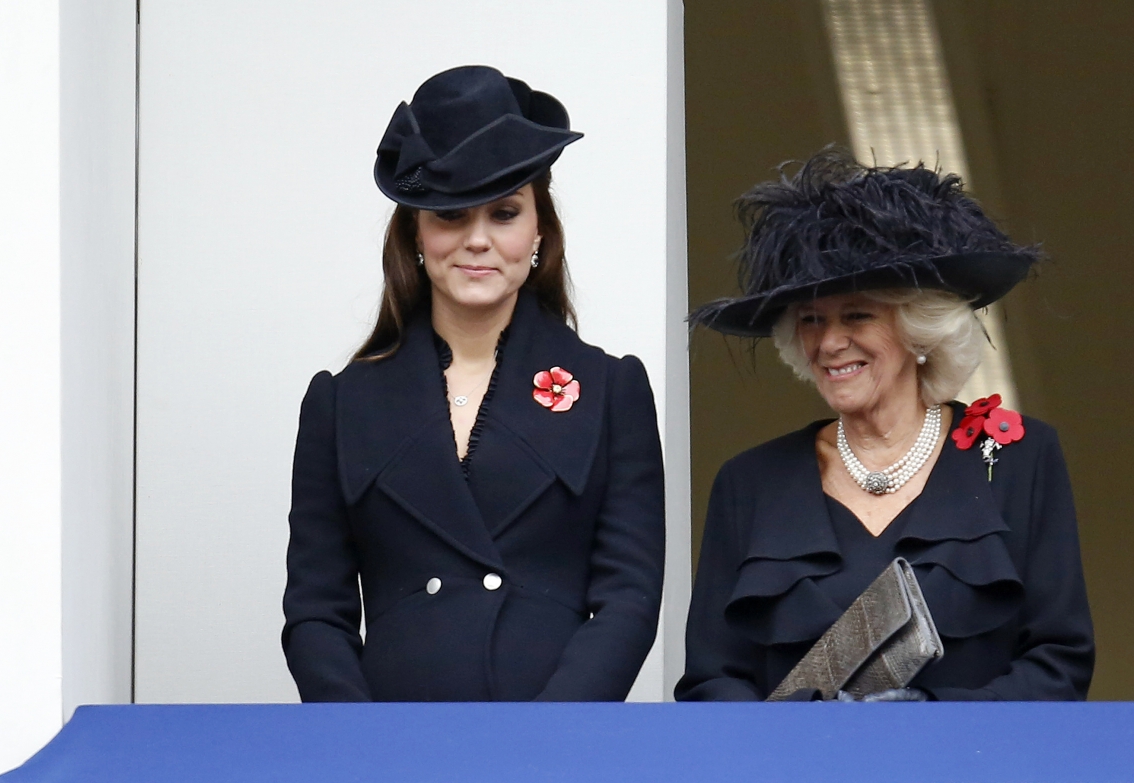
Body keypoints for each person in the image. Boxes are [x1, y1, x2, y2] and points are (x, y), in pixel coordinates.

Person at [282, 65, 665, 702]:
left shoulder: (609, 388)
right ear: (416, 233)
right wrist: (361, 744)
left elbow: (628, 598)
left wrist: (546, 739)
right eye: (452, 215)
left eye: (505, 212)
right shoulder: (340, 402)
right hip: (392, 750)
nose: (478, 240)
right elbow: (315, 610)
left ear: (539, 230)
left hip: (554, 749)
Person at [676, 149, 1094, 701]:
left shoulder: (1018, 457)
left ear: (919, 328)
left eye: (857, 315)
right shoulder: (750, 483)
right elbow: (712, 681)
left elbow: (1058, 664)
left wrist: (929, 723)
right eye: (810, 320)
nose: (829, 343)